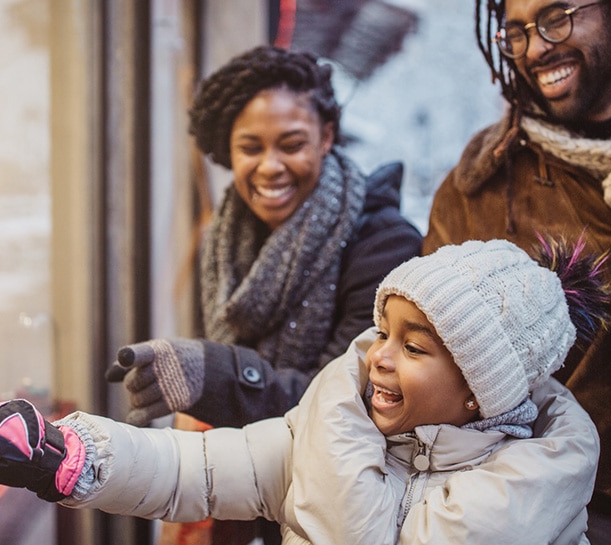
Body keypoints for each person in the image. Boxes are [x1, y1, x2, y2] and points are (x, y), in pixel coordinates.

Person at [0, 237, 611, 544]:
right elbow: (195, 469)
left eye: (414, 347)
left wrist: (337, 421)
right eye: (383, 332)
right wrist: (64, 454)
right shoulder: (335, 419)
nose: (376, 358)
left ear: (479, 393)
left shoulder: (524, 496)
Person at [424, 1, 611, 543]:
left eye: (557, 16)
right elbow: (429, 370)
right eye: (517, 32)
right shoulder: (481, 192)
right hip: (569, 519)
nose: (536, 47)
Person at [103, 45, 422, 544]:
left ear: (327, 138)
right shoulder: (226, 242)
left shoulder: (385, 246)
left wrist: (213, 375)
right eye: (251, 148)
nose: (270, 167)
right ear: (226, 152)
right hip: (245, 502)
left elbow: (353, 400)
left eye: (291, 144)